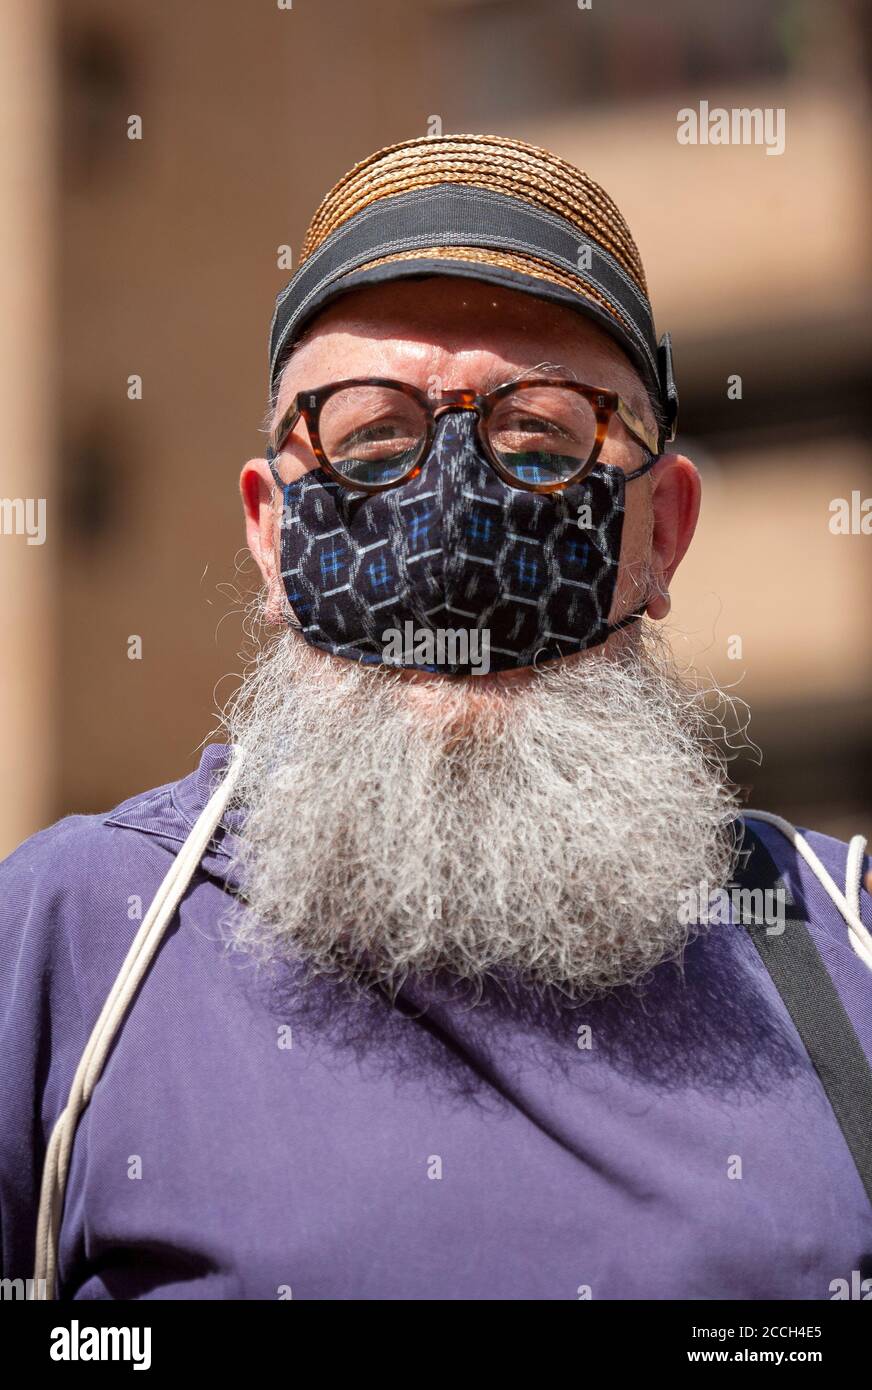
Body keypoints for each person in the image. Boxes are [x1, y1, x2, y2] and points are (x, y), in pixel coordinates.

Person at [2, 134, 871, 1302]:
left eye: (542, 438)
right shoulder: (75, 937)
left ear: (659, 532)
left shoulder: (840, 941)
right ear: (271, 531)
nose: (451, 522)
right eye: (368, 438)